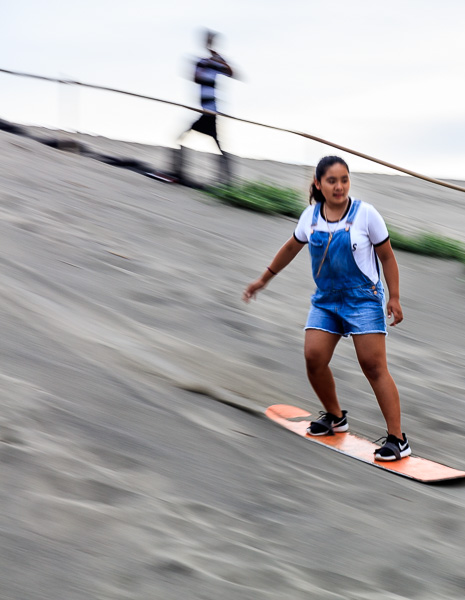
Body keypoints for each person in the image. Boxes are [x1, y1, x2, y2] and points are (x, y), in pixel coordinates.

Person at [243, 156, 410, 461]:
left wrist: (394, 296)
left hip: (363, 299)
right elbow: (291, 248)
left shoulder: (366, 214)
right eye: (332, 181)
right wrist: (262, 280)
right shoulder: (311, 216)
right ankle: (335, 417)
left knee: (373, 366)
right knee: (313, 357)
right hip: (327, 299)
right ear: (319, 184)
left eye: (344, 179)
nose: (339, 186)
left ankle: (398, 439)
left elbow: (387, 257)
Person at [173, 29, 235, 185]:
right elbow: (195, 78)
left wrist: (217, 58)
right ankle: (226, 179)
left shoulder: (216, 62)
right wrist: (206, 63)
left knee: (182, 139)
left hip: (210, 111)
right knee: (214, 143)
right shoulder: (202, 62)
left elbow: (230, 72)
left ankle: (225, 179)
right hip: (206, 110)